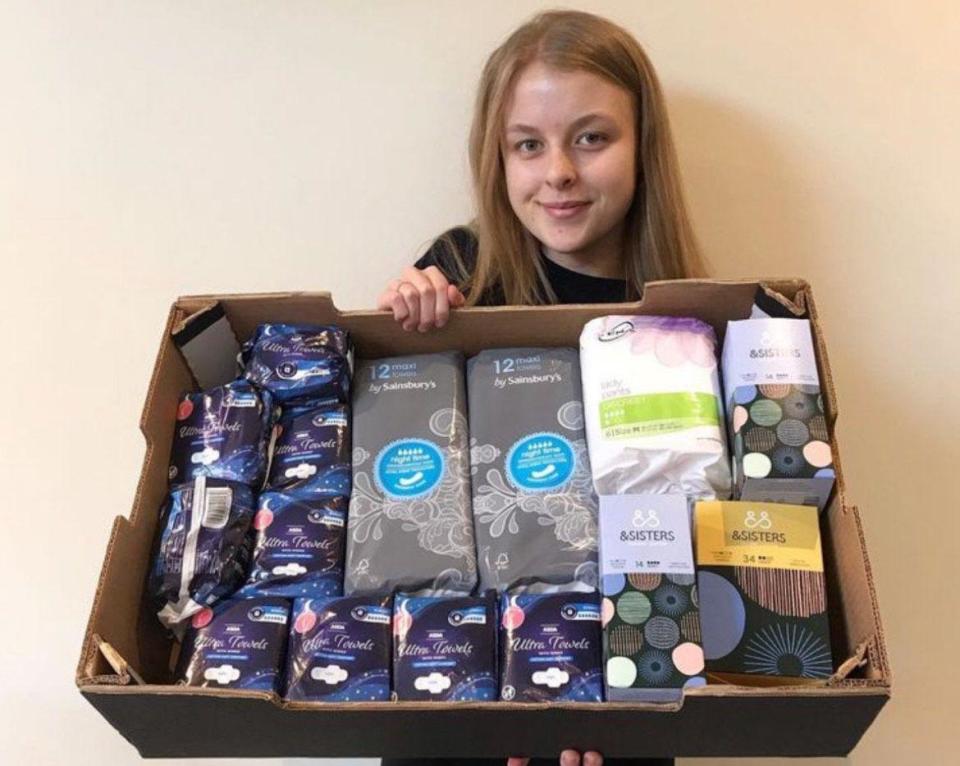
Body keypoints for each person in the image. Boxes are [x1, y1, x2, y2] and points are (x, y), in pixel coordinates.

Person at [378, 9, 698, 766]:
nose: (557, 171)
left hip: (618, 700)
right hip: (448, 695)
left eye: (591, 137)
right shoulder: (460, 272)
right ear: (499, 158)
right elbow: (397, 488)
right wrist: (403, 322)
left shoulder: (683, 321)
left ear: (642, 147)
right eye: (529, 144)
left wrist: (611, 715)